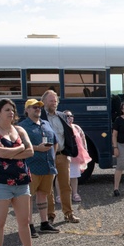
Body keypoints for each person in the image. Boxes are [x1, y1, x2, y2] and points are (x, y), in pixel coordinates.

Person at [0, 98, 45, 246]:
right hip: (0, 182)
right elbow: (1, 152)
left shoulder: (19, 130)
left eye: (12, 110)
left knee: (24, 221)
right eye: (6, 110)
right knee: (0, 221)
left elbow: (31, 151)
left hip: (21, 180)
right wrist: (18, 150)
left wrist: (9, 154)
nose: (11, 113)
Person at [17, 98, 59, 236]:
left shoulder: (46, 123)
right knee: (28, 197)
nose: (37, 109)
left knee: (43, 195)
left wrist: (53, 155)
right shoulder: (22, 127)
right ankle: (29, 226)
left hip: (47, 166)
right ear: (27, 110)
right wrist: (37, 148)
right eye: (34, 107)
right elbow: (19, 146)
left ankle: (44, 223)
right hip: (31, 166)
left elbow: (54, 141)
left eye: (39, 107)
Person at [41, 90, 79, 224]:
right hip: (46, 156)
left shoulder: (62, 116)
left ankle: (69, 213)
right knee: (48, 188)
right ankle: (50, 216)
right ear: (44, 102)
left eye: (55, 100)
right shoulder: (40, 117)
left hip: (62, 155)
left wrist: (70, 151)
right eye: (51, 101)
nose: (54, 103)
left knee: (65, 186)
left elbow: (68, 135)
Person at [64, 110, 92, 205]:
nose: (69, 117)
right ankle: (60, 195)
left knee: (74, 175)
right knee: (61, 176)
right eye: (67, 116)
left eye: (71, 115)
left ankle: (75, 193)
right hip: (64, 154)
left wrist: (85, 151)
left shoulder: (77, 127)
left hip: (75, 155)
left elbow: (83, 139)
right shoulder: (60, 127)